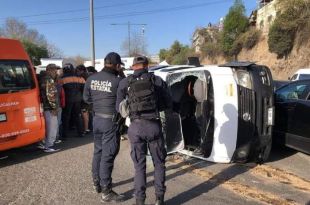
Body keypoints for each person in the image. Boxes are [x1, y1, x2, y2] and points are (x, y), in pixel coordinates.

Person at [116, 56, 172, 205]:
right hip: (154, 125)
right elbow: (168, 103)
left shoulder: (124, 82)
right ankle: (159, 199)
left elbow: (119, 108)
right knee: (159, 163)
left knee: (139, 166)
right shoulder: (157, 80)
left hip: (135, 127)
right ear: (147, 66)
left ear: (133, 66)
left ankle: (140, 201)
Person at [83, 52, 125, 203]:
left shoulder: (91, 78)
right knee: (108, 155)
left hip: (97, 119)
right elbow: (127, 92)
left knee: (98, 152)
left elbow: (86, 99)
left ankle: (97, 184)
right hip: (110, 122)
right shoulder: (118, 80)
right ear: (117, 65)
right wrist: (122, 74)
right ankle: (106, 191)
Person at [59, 63, 85, 139]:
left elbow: (59, 90)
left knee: (66, 117)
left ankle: (64, 135)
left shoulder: (62, 79)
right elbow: (84, 89)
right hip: (78, 99)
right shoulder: (80, 78)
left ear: (64, 69)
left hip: (67, 100)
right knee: (77, 116)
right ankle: (81, 132)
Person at [38, 64, 60, 152]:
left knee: (48, 127)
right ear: (48, 70)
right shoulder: (49, 80)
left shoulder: (44, 79)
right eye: (54, 69)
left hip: (46, 107)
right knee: (52, 127)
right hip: (50, 108)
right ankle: (49, 146)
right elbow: (51, 95)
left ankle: (45, 144)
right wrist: (54, 108)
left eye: (56, 69)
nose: (55, 71)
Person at [76, 65, 91, 134]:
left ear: (81, 70)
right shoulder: (88, 76)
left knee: (84, 113)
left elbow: (83, 89)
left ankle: (86, 129)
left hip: (84, 98)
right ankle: (87, 128)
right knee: (87, 113)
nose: (77, 72)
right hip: (88, 97)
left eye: (77, 70)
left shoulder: (83, 77)